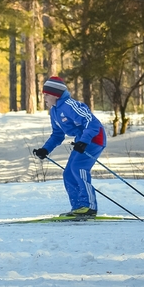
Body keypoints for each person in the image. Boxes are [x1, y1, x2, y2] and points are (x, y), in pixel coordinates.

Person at [32, 76, 107, 217]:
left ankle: (89, 206)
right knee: (68, 173)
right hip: (82, 140)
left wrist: (84, 141)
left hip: (95, 138)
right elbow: (57, 134)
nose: (44, 98)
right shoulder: (54, 111)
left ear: (55, 94)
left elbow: (92, 122)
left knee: (78, 168)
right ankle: (78, 207)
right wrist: (45, 149)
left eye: (46, 94)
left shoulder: (69, 105)